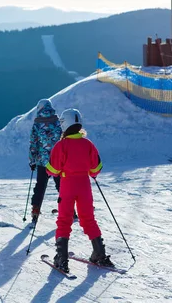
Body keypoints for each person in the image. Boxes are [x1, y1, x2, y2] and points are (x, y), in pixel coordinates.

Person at [46, 108, 113, 273]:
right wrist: (89, 172)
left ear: (65, 124)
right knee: (88, 219)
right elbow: (96, 168)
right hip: (84, 186)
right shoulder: (88, 144)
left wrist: (51, 171)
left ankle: (61, 259)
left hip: (67, 185)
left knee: (64, 220)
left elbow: (53, 169)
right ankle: (99, 253)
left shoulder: (61, 145)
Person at [28, 99, 62, 224]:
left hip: (43, 161)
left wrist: (32, 160)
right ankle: (68, 209)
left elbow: (34, 144)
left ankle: (36, 209)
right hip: (58, 160)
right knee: (61, 186)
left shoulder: (37, 124)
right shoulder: (58, 122)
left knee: (40, 185)